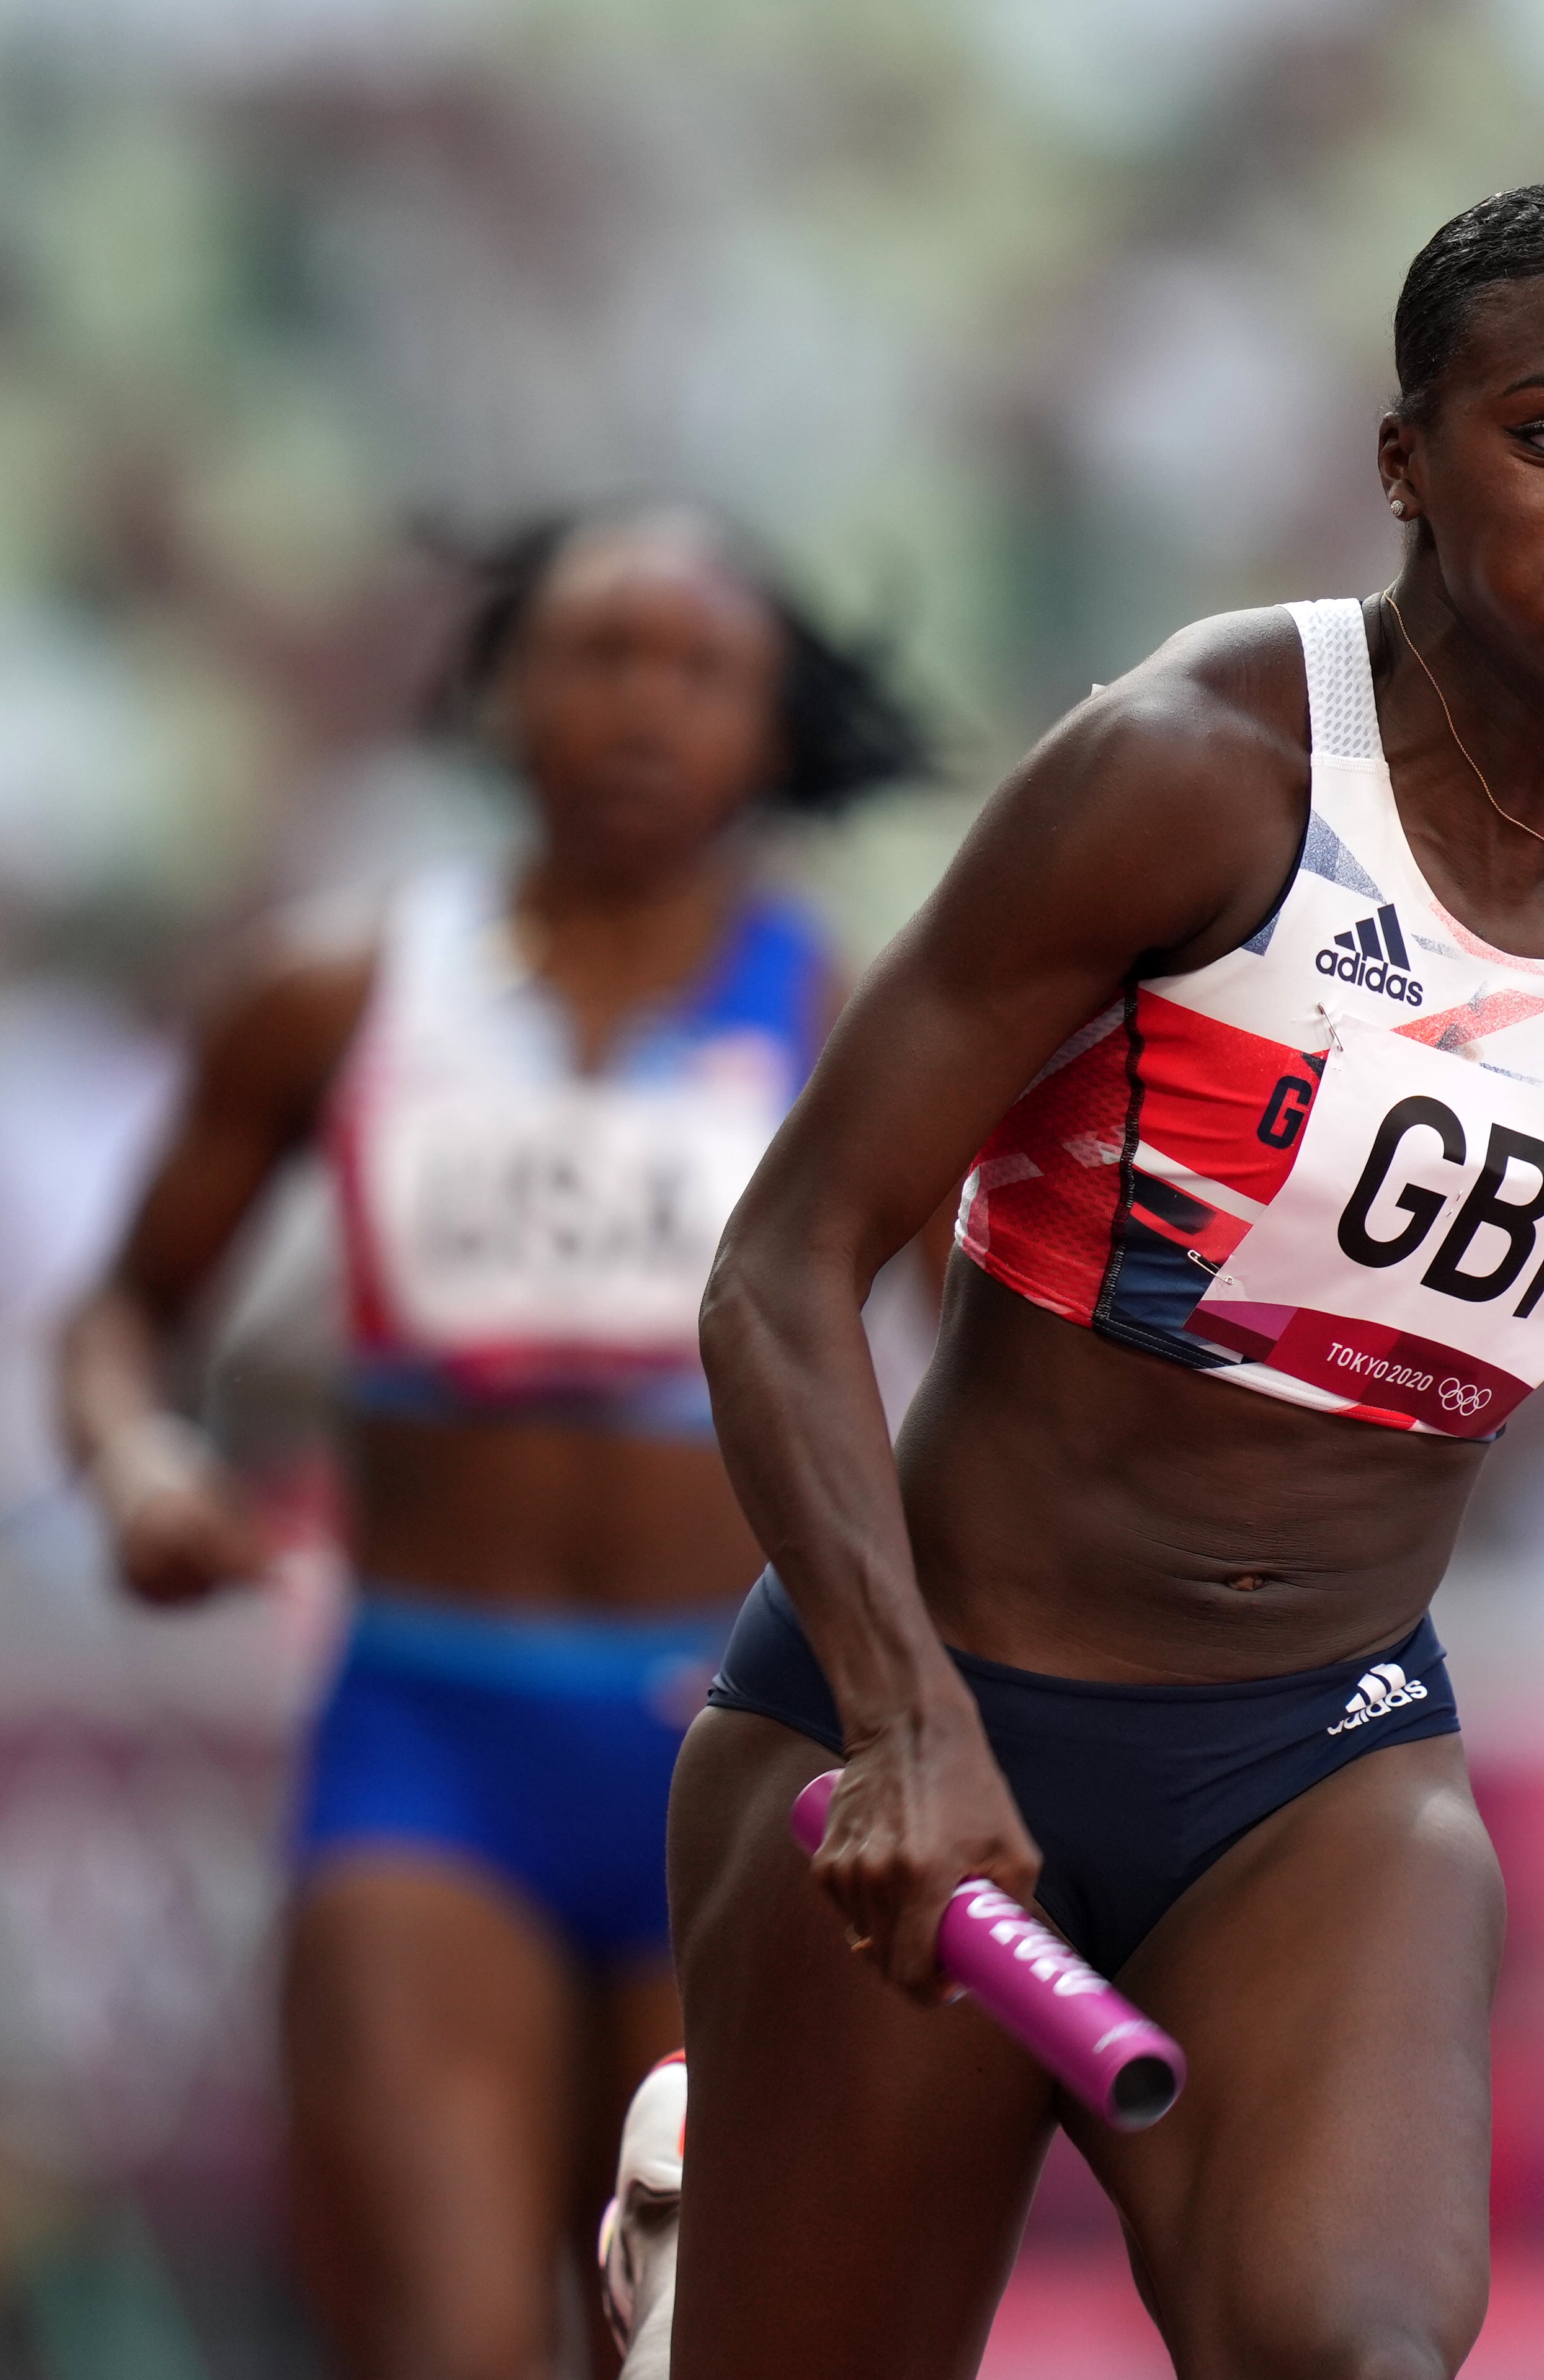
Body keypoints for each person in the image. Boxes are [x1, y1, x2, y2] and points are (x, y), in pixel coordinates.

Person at [644, 183, 1544, 2380]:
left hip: (1318, 1764)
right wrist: (912, 1717)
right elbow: (781, 1265)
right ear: (1405, 460)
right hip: (916, 1720)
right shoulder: (1197, 773)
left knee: (1356, 2352)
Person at [58, 505, 924, 2380]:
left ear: (771, 730)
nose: (638, 708)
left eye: (695, 670)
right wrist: (139, 1465)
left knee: (686, 2341)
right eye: (594, 656)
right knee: (447, 2341)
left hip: (730, 1748)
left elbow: (1006, 1357)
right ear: (500, 694)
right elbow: (122, 1313)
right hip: (425, 1729)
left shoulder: (847, 1015)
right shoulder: (337, 991)